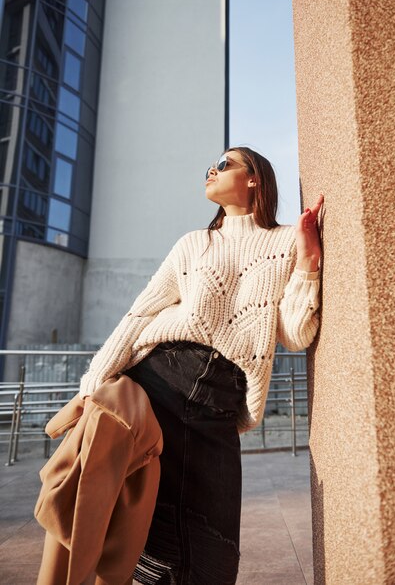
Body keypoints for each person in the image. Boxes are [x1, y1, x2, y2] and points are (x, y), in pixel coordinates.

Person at [78, 146, 324, 585]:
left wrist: (308, 260)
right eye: (211, 165)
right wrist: (91, 386)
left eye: (225, 163)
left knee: (215, 535)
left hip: (217, 405)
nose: (212, 169)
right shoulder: (194, 243)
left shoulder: (285, 240)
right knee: (151, 519)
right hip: (161, 383)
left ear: (254, 179)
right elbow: (140, 315)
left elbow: (295, 332)